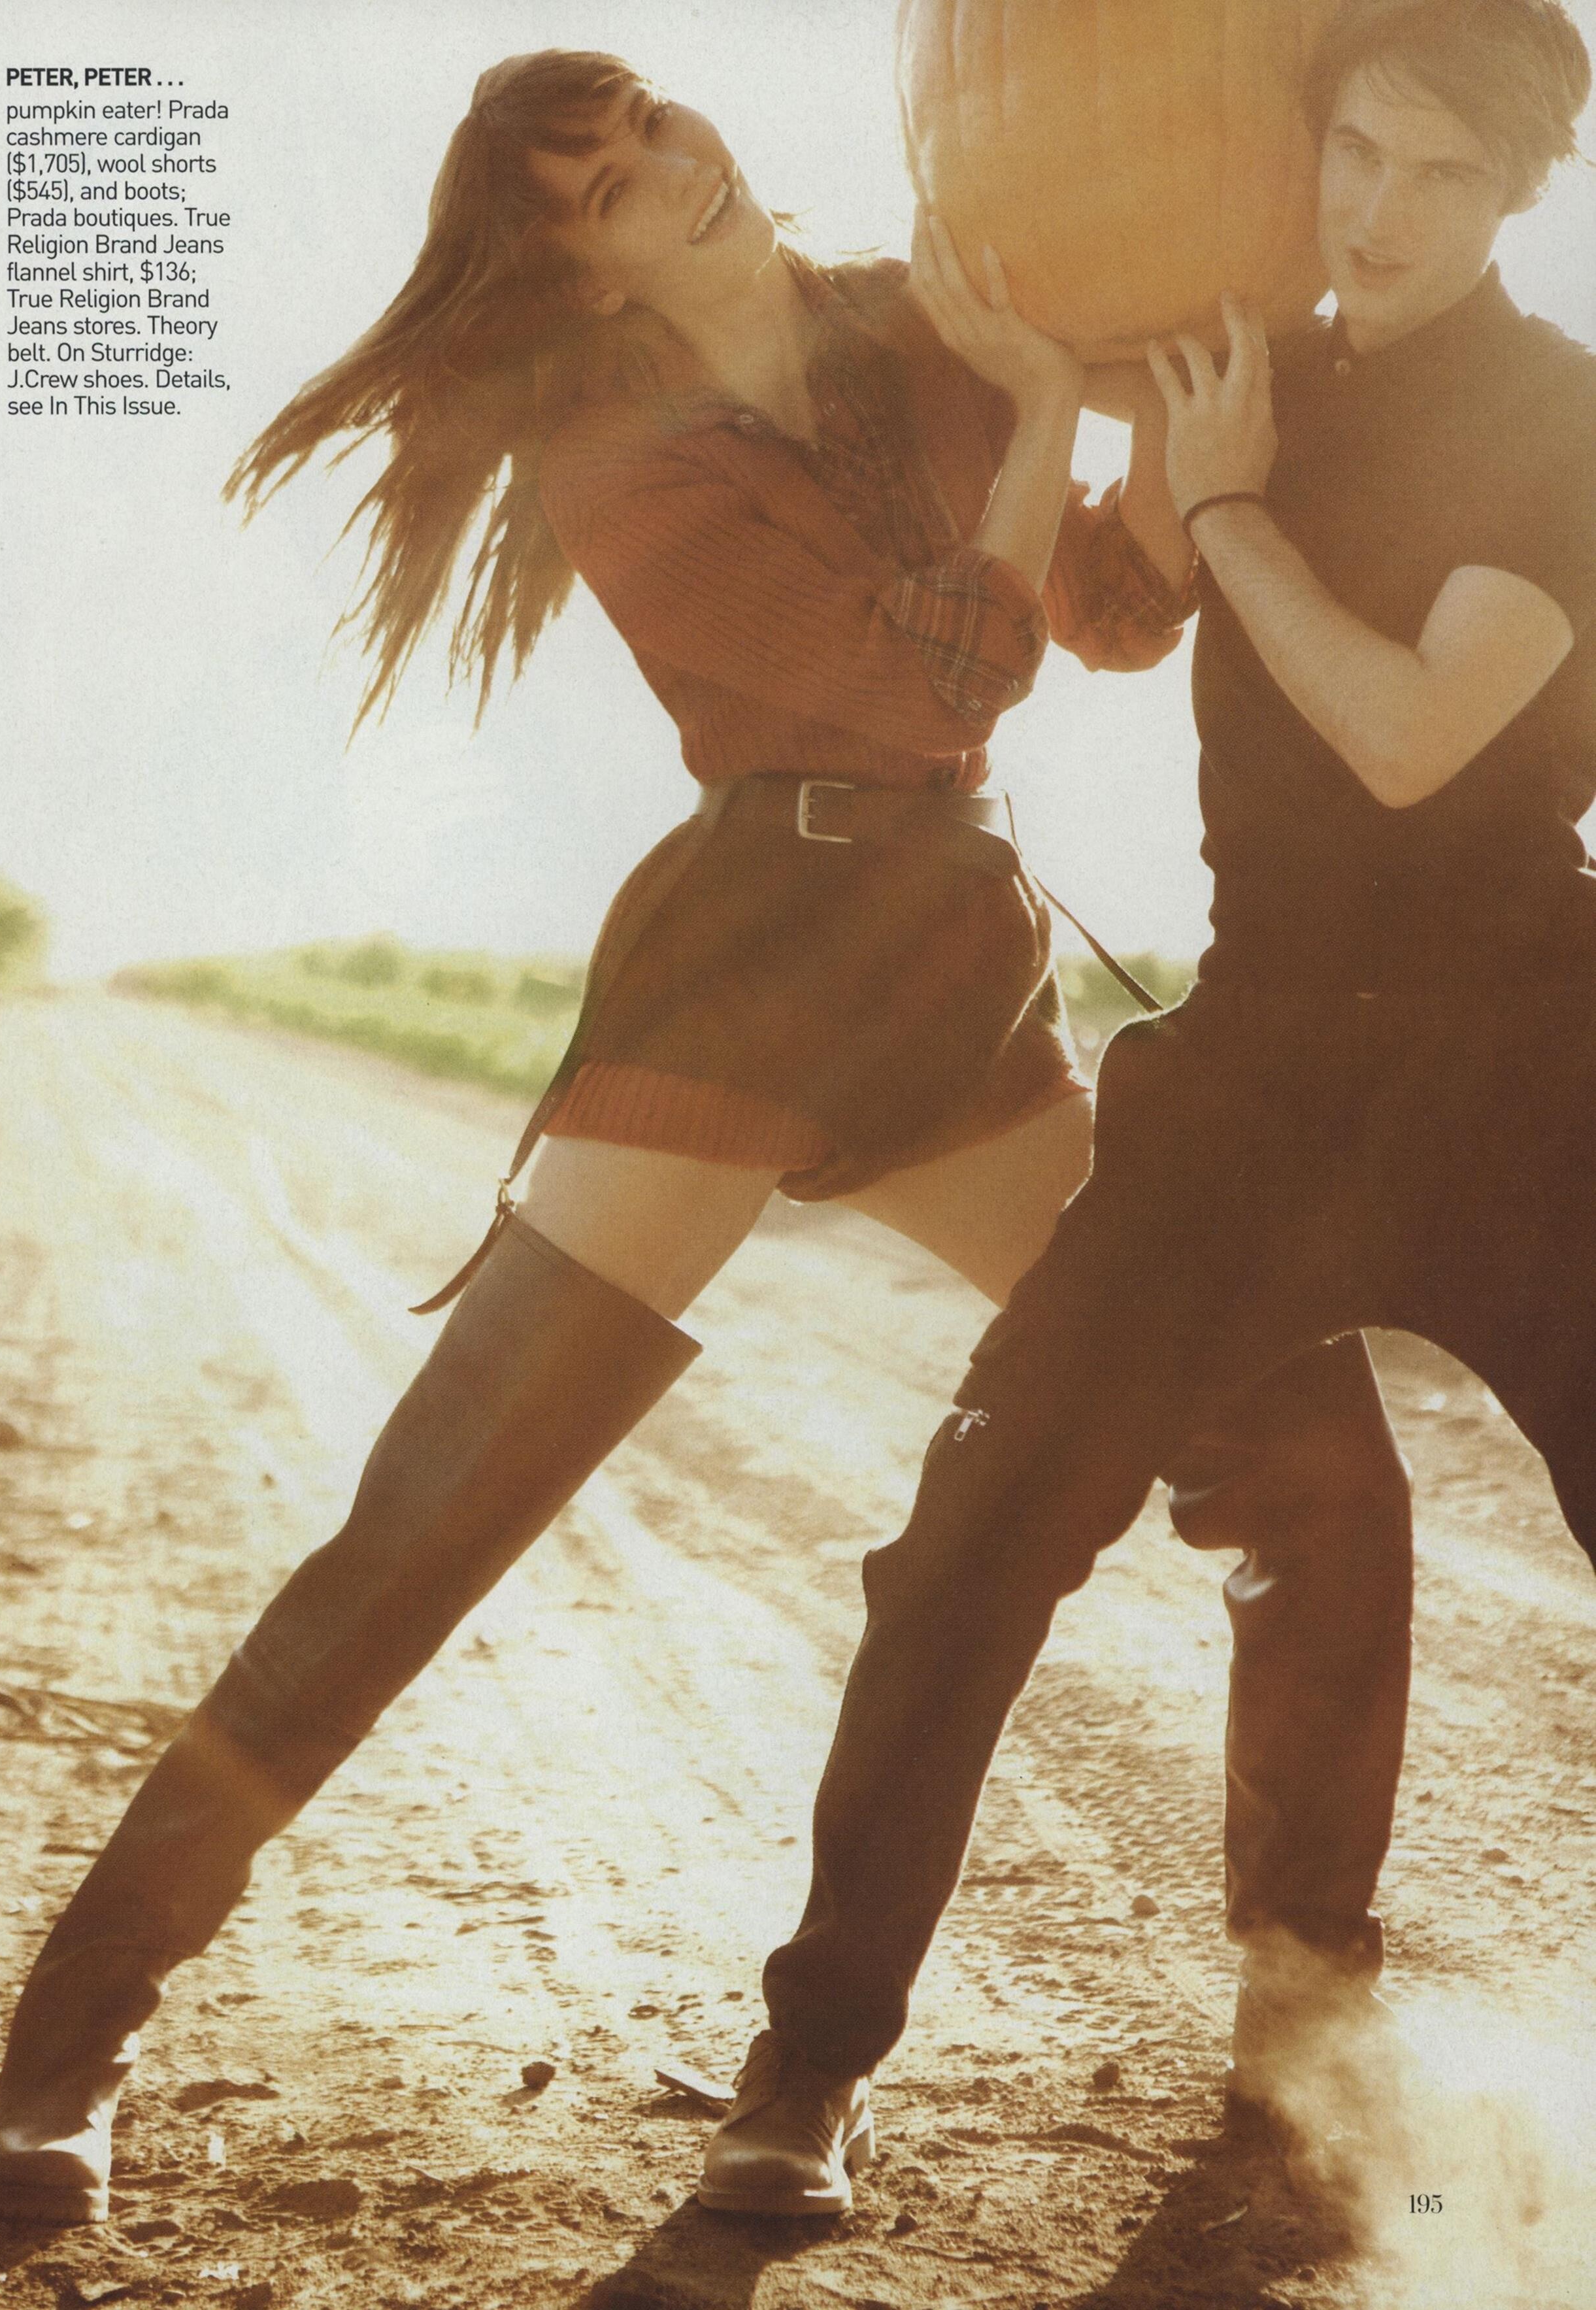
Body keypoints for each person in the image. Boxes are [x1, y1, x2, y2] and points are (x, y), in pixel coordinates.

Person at [0, 50, 1413, 2226]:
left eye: (652, 122)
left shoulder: (923, 316)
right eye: (607, 184)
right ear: (576, 268)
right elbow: (938, 684)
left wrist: (1181, 462)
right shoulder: (615, 457)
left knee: (1303, 1450)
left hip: (944, 971)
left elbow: (1101, 616)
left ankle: (1295, 2046)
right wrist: (1048, 406)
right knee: (435, 1519)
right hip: (749, 964)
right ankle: (69, 2042)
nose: (670, 166)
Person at [701, 0, 1596, 2222]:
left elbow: (1412, 737)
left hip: (1529, 1068)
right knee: (972, 1536)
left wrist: (1227, 505)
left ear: (1520, 197)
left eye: (1442, 177)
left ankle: (1309, 2023)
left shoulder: (1563, 419)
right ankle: (808, 2069)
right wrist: (1054, 398)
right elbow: (1107, 613)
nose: (1379, 213)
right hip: (1264, 1068)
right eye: (1354, 153)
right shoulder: (1249, 374)